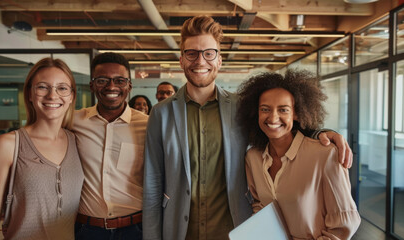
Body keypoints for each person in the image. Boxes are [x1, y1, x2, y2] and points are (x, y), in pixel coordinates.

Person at [142, 15, 353, 240]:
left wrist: (318, 133)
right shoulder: (161, 113)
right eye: (191, 53)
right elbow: (153, 183)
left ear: (219, 60)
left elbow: (277, 129)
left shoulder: (241, 107)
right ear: (182, 60)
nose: (200, 61)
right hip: (179, 230)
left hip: (235, 228)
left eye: (209, 53)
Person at [239, 70, 360, 239]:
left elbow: (343, 225)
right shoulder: (253, 158)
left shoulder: (325, 155)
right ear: (256, 113)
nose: (273, 117)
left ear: (296, 113)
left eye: (283, 110)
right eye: (265, 109)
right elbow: (260, 206)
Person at [0, 58, 84, 240]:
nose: (52, 95)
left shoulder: (76, 141)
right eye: (42, 87)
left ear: (72, 96)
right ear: (30, 94)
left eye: (62, 88)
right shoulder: (7, 145)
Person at [72, 52, 148, 240]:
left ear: (129, 85)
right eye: (102, 80)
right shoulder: (73, 121)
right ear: (92, 85)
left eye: (119, 80)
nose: (111, 86)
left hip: (136, 229)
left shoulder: (148, 125)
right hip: (87, 230)